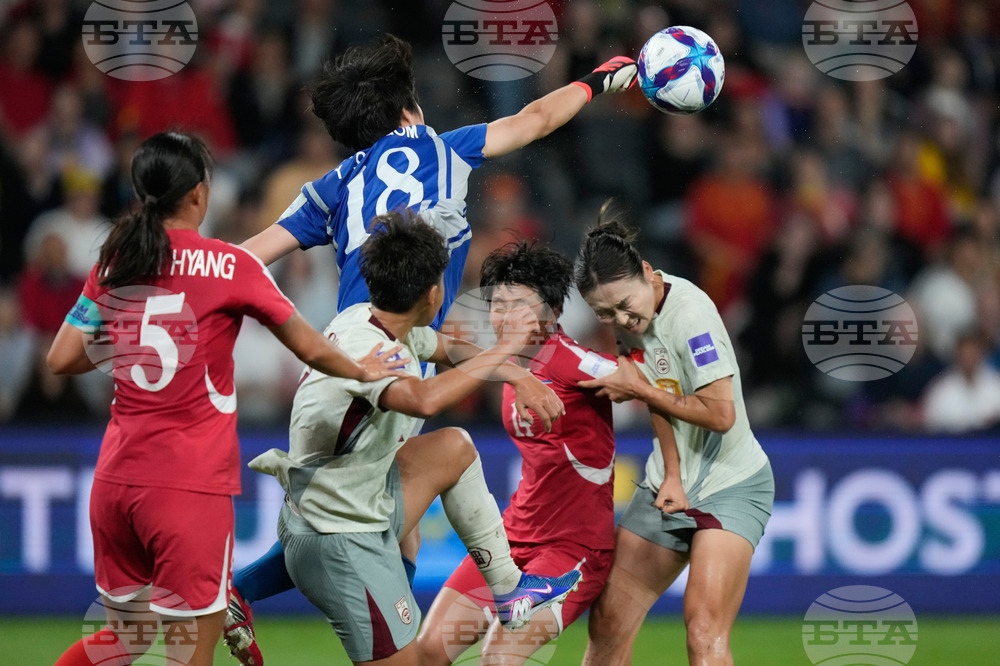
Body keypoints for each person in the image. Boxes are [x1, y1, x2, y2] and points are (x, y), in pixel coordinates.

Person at [224, 32, 638, 663]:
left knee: (395, 512)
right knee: (378, 508)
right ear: (408, 111)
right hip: (383, 366)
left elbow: (249, 258)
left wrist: (178, 282)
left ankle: (245, 589)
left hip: (350, 354)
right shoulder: (446, 150)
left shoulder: (335, 184)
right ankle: (494, 594)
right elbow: (535, 118)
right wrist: (592, 81)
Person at [46, 132, 406, 666]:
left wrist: (129, 349)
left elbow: (61, 357)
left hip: (116, 480)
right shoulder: (231, 265)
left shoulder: (118, 259)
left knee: (124, 640)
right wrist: (362, 368)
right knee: (190, 653)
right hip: (187, 488)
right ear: (198, 194)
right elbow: (307, 344)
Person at [248, 211, 582, 665]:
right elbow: (422, 399)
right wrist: (507, 349)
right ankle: (254, 592)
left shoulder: (366, 319)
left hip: (335, 504)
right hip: (343, 539)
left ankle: (508, 588)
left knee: (454, 448)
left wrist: (515, 375)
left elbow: (445, 348)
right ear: (433, 293)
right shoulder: (378, 352)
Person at [573, 211, 774, 666]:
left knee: (703, 631)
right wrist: (673, 475)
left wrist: (638, 389)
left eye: (625, 305)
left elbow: (720, 415)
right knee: (607, 622)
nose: (621, 319)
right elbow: (659, 394)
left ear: (647, 272)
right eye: (604, 313)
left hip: (733, 485)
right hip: (668, 483)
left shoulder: (692, 318)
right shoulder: (628, 316)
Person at [417, 241, 618, 665]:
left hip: (572, 550)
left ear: (551, 312)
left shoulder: (571, 362)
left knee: (498, 658)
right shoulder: (507, 362)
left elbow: (635, 383)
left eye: (518, 304)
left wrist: (677, 466)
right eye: (498, 303)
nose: (503, 314)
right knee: (430, 649)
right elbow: (446, 354)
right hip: (510, 540)